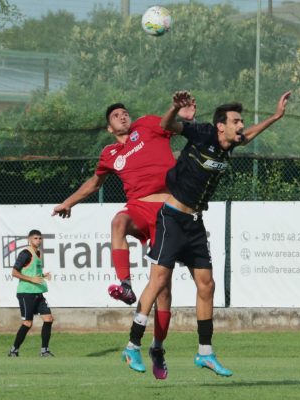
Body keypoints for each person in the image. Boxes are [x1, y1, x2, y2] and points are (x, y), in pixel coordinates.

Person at [121, 90, 291, 378]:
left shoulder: (228, 145)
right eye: (237, 121)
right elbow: (166, 126)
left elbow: (249, 136)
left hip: (195, 223)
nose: (241, 125)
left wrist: (275, 117)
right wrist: (174, 108)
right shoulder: (202, 133)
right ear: (220, 125)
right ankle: (132, 345)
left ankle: (205, 353)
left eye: (242, 121)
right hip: (172, 218)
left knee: (207, 285)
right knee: (159, 280)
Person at [52, 103, 195, 380]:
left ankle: (158, 348)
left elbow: (171, 123)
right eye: (116, 116)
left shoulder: (147, 125)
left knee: (163, 289)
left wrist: (183, 114)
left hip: (168, 211)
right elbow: (94, 184)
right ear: (109, 128)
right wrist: (67, 203)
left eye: (124, 112)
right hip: (139, 208)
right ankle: (126, 285)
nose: (123, 116)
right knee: (118, 221)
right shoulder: (110, 154)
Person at [8, 229, 55, 357]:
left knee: (49, 319)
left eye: (40, 238)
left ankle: (44, 350)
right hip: (26, 293)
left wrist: (42, 275)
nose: (38, 240)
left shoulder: (38, 253)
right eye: (35, 238)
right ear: (29, 239)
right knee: (28, 323)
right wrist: (31, 279)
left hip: (38, 292)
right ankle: (14, 349)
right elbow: (14, 272)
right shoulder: (25, 253)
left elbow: (33, 272)